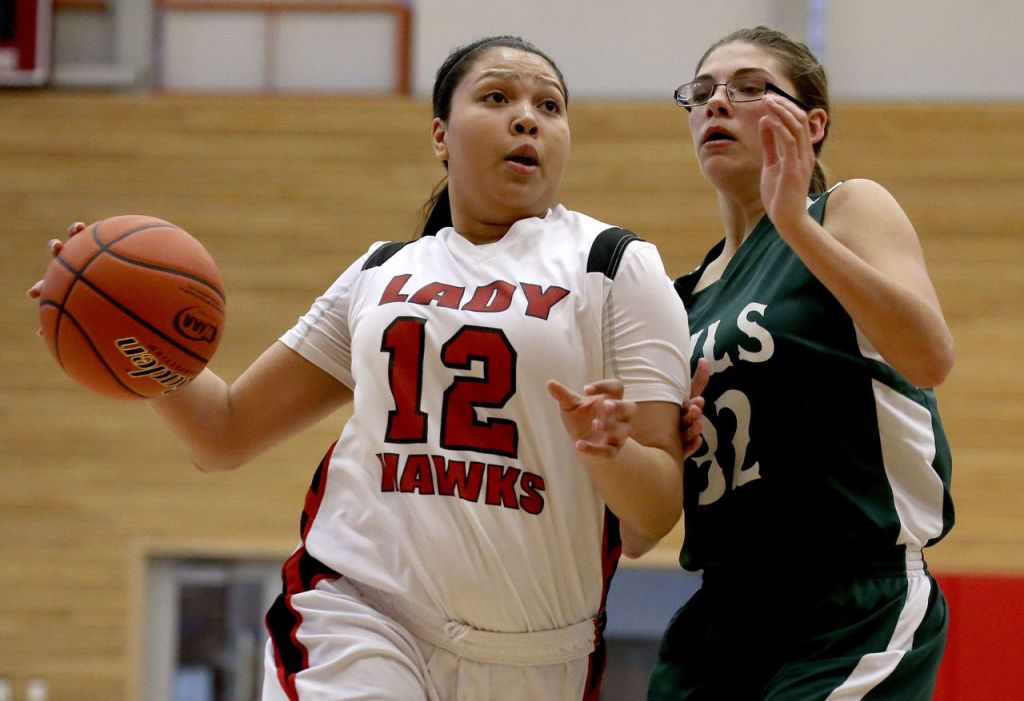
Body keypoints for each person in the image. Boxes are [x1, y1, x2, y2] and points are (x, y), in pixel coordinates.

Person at [30, 36, 699, 700]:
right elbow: (225, 431)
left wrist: (608, 452)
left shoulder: (614, 264)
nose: (526, 117)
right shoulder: (382, 272)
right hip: (361, 613)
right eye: (497, 97)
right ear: (440, 134)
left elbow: (651, 518)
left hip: (538, 652)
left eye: (549, 106)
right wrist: (128, 339)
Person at [647, 26, 956, 701]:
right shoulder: (679, 299)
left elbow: (929, 354)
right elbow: (646, 520)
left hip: (851, 595)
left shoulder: (846, 210)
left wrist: (795, 225)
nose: (718, 103)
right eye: (701, 93)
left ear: (811, 124)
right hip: (722, 609)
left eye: (750, 88)